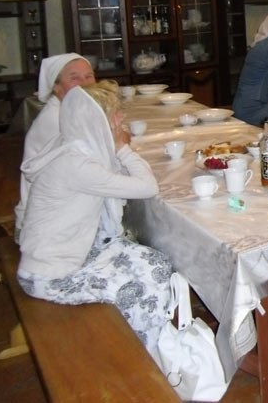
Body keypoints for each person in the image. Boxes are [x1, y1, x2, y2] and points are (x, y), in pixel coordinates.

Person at [18, 82, 172, 357]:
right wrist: (123, 148)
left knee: (156, 262)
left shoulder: (76, 149)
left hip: (74, 252)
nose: (121, 120)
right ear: (97, 122)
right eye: (114, 116)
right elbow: (148, 187)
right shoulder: (78, 165)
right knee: (138, 289)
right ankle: (143, 360)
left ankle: (152, 340)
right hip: (50, 273)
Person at [15, 53, 96, 239]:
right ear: (56, 87)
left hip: (60, 207)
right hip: (45, 225)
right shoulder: (56, 120)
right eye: (74, 78)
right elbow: (85, 170)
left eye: (89, 76)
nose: (85, 83)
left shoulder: (70, 109)